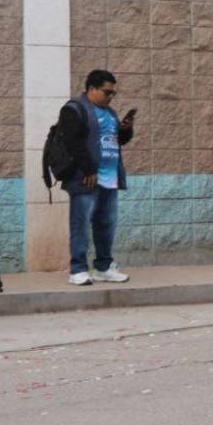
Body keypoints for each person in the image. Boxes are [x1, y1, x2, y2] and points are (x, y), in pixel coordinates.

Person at [60, 69, 133, 286]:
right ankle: (78, 269)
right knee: (80, 224)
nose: (110, 97)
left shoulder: (110, 113)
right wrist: (88, 170)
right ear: (91, 88)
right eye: (106, 92)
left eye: (113, 94)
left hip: (109, 178)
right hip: (86, 178)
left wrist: (126, 130)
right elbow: (72, 142)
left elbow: (117, 140)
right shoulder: (74, 109)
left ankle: (103, 266)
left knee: (106, 224)